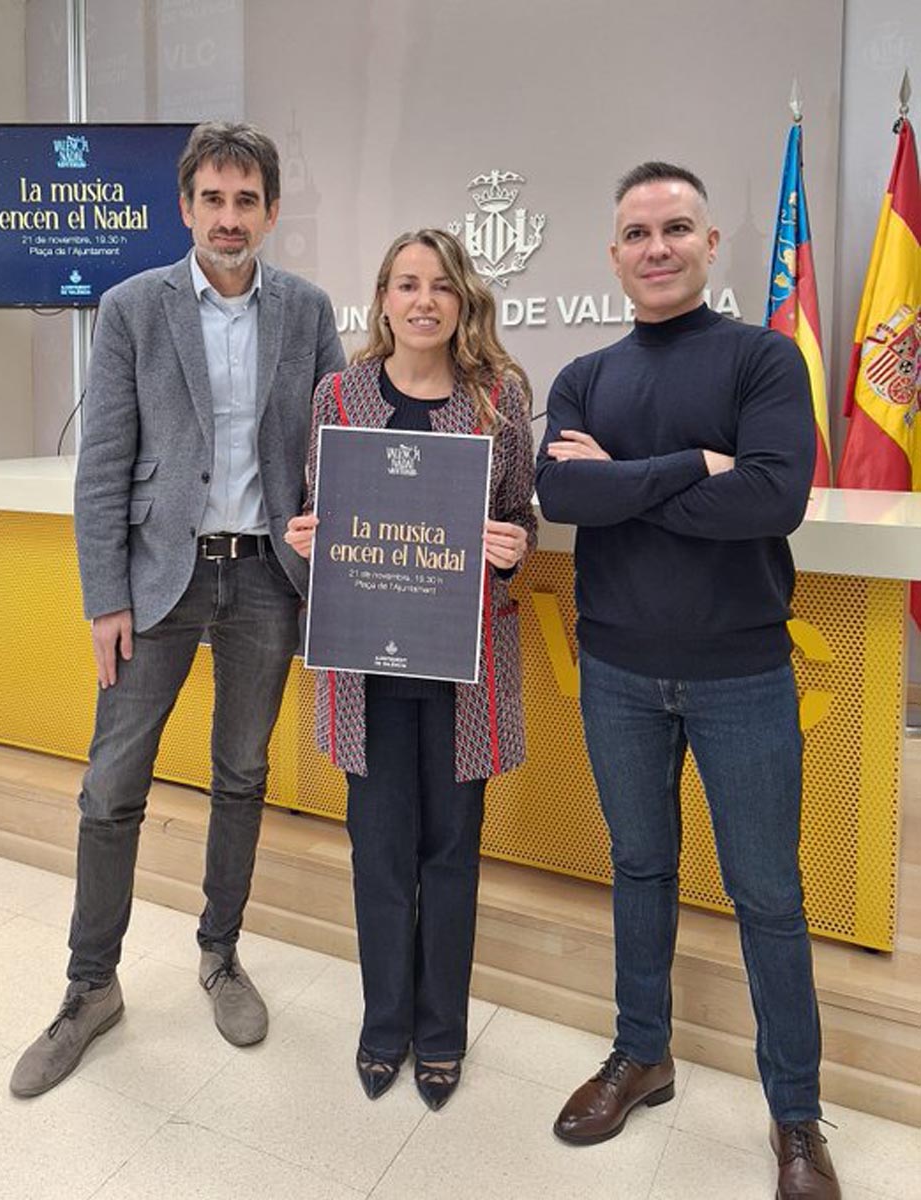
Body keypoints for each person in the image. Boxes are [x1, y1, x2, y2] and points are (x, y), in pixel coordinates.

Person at [10, 121, 345, 1098]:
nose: (228, 218)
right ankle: (89, 987)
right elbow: (102, 466)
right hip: (160, 580)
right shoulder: (131, 307)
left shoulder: (307, 310)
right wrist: (104, 598)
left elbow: (337, 441)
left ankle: (221, 953)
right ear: (186, 207)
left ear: (270, 212)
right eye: (212, 200)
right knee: (112, 785)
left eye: (246, 201)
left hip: (266, 581)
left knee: (242, 774)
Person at [535, 163, 839, 1200]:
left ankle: (795, 1117)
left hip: (740, 673)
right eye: (636, 232)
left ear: (710, 244)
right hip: (616, 667)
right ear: (613, 254)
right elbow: (561, 494)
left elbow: (772, 501)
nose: (655, 247)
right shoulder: (584, 375)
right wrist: (691, 467)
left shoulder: (762, 359)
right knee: (639, 869)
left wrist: (620, 481)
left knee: (768, 896)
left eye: (675, 228)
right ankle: (642, 1055)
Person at [285, 228, 536, 1111]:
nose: (422, 300)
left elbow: (519, 516)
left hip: (461, 671)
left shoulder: (498, 398)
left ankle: (441, 1031)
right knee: (379, 853)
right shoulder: (337, 395)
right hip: (366, 672)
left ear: (463, 300)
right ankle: (383, 1023)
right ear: (383, 300)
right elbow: (318, 506)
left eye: (439, 285)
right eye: (405, 284)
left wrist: (514, 545)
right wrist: (307, 536)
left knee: (451, 853)